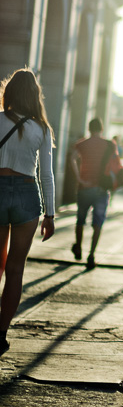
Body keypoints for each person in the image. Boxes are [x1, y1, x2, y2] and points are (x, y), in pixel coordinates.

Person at [0, 68, 55, 357]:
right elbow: (46, 174)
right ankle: (1, 332)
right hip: (26, 195)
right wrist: (51, 214)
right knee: (15, 269)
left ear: (8, 93)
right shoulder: (42, 129)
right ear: (34, 96)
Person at [70, 117, 123, 269]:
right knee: (98, 223)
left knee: (80, 219)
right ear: (101, 129)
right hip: (102, 188)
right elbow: (116, 163)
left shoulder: (82, 144)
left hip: (84, 188)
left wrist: (79, 178)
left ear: (89, 128)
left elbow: (72, 159)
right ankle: (92, 254)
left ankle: (78, 247)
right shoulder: (110, 144)